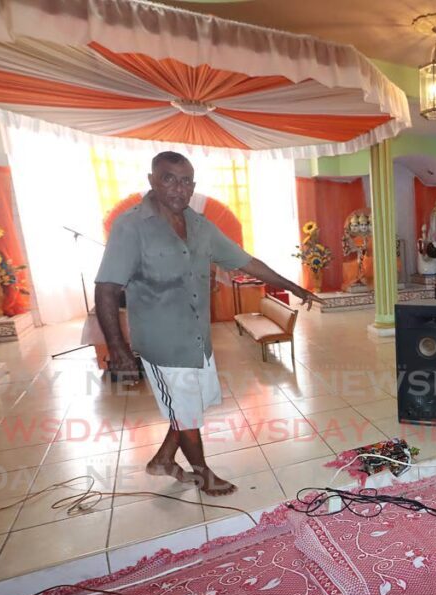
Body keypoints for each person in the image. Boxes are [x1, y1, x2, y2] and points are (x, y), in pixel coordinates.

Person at [95, 151, 324, 496]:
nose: (178, 188)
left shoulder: (200, 225)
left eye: (186, 180)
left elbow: (245, 261)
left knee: (192, 404)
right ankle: (203, 474)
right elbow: (107, 289)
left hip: (197, 338)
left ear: (194, 185)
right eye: (169, 178)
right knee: (187, 413)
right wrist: (118, 348)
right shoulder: (131, 227)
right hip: (162, 343)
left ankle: (163, 460)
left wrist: (292, 285)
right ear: (152, 180)